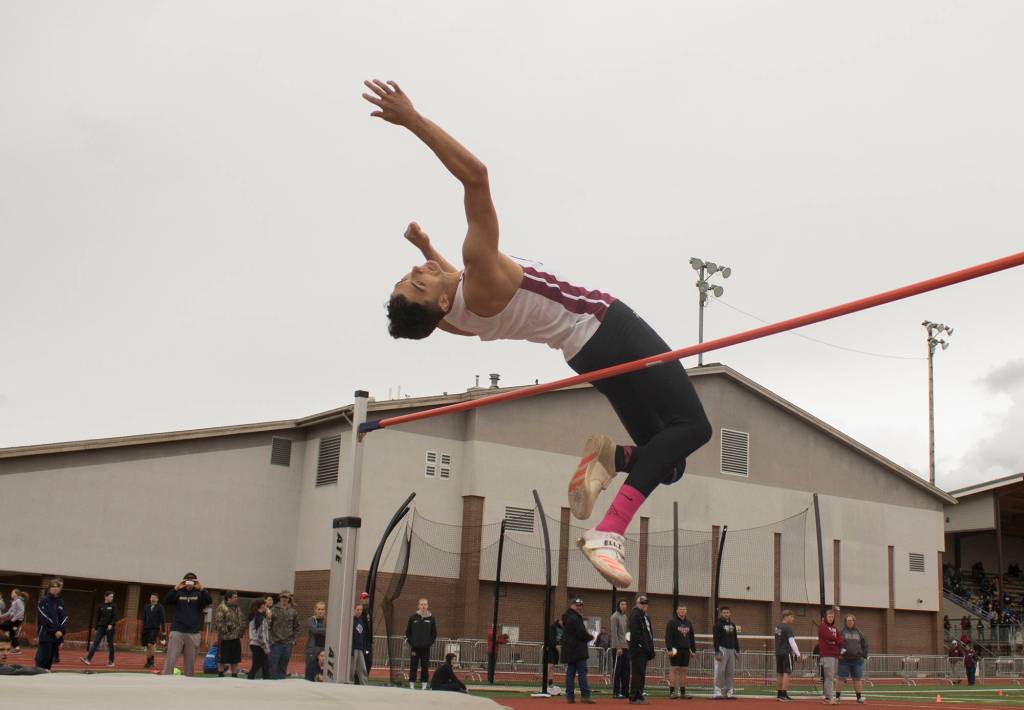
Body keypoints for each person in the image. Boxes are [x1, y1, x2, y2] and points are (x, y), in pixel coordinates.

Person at [363, 78, 712, 589]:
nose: (421, 269)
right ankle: (608, 531)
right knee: (694, 427)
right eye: (419, 278)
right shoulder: (479, 270)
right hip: (608, 325)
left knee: (670, 463)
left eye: (414, 271)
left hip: (584, 354)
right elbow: (477, 177)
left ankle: (613, 459)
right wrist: (411, 118)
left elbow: (446, 289)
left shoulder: (457, 319)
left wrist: (427, 248)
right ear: (436, 301)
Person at [162, 572, 212, 676]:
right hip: (177, 630)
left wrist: (201, 588)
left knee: (190, 661)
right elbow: (166, 600)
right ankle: (166, 676)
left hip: (193, 632)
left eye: (192, 580)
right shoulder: (178, 592)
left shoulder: (199, 594)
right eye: (188, 580)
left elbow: (209, 600)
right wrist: (176, 588)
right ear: (184, 581)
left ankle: (189, 679)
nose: (190, 582)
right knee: (171, 658)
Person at [561, 596, 596, 705]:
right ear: (571, 605)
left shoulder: (568, 616)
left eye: (580, 605)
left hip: (570, 650)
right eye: (577, 605)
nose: (579, 607)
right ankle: (585, 696)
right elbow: (581, 633)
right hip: (578, 650)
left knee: (570, 673)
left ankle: (570, 696)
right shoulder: (574, 618)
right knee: (582, 673)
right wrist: (590, 637)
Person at [35, 578, 68, 670]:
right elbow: (44, 617)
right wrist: (54, 631)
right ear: (49, 588)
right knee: (41, 661)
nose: (55, 588)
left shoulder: (60, 602)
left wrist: (61, 631)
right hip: (45, 635)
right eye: (53, 586)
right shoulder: (43, 601)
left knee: (49, 662)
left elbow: (64, 618)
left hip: (56, 637)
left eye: (57, 587)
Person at [405, 597, 437, 690]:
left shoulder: (431, 619)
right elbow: (408, 632)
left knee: (425, 666)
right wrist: (412, 643)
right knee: (413, 666)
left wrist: (428, 643)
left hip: (425, 648)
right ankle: (412, 684)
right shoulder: (412, 618)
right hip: (414, 648)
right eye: (422, 604)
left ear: (428, 606)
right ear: (418, 605)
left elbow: (434, 634)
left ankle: (424, 685)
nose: (423, 606)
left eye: (425, 604)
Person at [666, 604, 697, 699]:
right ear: (677, 611)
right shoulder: (672, 622)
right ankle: (672, 692)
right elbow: (668, 637)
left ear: (686, 611)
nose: (682, 611)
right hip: (676, 650)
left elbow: (691, 637)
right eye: (681, 609)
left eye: (684, 609)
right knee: (674, 670)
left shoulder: (689, 623)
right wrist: (669, 649)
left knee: (684, 671)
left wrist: (693, 650)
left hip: (686, 650)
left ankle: (683, 693)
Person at [628, 595, 655, 705]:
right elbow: (636, 634)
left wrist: (650, 647)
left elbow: (648, 633)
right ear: (637, 603)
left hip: (644, 649)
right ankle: (634, 697)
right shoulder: (635, 615)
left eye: (646, 603)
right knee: (637, 673)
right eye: (642, 603)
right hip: (638, 649)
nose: (644, 605)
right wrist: (643, 646)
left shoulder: (645, 616)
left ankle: (639, 694)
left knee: (641, 673)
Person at [268, 590, 301, 679]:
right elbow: (268, 626)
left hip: (287, 644)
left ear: (289, 598)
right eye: (283, 597)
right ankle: (272, 686)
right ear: (280, 598)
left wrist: (293, 640)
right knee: (272, 666)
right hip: (275, 643)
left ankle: (281, 686)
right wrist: (271, 640)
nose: (284, 599)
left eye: (286, 597)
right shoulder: (273, 610)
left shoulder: (293, 612)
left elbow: (297, 627)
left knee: (283, 666)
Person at [836, 614, 868, 704]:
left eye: (851, 620)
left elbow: (865, 645)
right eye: (848, 620)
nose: (849, 622)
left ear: (854, 621)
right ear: (845, 622)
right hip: (844, 660)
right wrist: (839, 653)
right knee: (841, 679)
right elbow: (837, 644)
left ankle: (859, 699)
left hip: (857, 661)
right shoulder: (841, 632)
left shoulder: (859, 633)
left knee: (857, 679)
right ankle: (837, 698)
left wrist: (864, 655)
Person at [82, 590, 118, 667]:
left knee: (110, 644)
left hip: (109, 628)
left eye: (112, 597)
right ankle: (88, 659)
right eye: (110, 596)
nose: (112, 598)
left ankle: (111, 661)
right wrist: (96, 628)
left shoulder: (113, 606)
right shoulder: (100, 606)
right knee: (95, 643)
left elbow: (115, 617)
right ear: (106, 597)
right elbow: (98, 618)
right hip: (101, 627)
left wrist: (111, 624)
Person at [214, 591, 244, 677]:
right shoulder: (221, 607)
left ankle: (234, 675)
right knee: (222, 659)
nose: (236, 598)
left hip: (236, 637)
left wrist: (240, 630)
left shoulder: (237, 607)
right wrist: (227, 631)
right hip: (225, 638)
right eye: (235, 597)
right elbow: (219, 623)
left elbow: (242, 619)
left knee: (235, 659)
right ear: (229, 598)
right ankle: (220, 675)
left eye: (236, 597)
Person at [774, 610, 801, 702]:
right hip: (786, 653)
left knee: (780, 673)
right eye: (792, 617)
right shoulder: (788, 627)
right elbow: (791, 641)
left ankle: (779, 694)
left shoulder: (777, 627)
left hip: (778, 652)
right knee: (786, 673)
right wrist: (798, 654)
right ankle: (784, 694)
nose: (793, 619)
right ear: (787, 617)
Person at [713, 606, 740, 700]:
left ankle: (728, 692)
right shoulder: (718, 625)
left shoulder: (733, 625)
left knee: (730, 672)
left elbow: (735, 638)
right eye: (724, 612)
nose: (726, 614)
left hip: (732, 650)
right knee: (720, 671)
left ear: (730, 613)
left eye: (727, 612)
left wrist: (737, 650)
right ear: (721, 613)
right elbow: (715, 639)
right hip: (722, 649)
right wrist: (717, 651)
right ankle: (717, 692)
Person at [818, 608, 841, 704]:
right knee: (829, 677)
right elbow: (829, 636)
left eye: (832, 616)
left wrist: (836, 640)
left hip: (835, 655)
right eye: (829, 616)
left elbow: (840, 639)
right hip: (827, 655)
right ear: (825, 617)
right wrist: (836, 640)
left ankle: (828, 697)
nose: (831, 618)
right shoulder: (822, 626)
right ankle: (830, 697)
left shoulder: (835, 628)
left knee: (833, 676)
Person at [610, 599, 630, 699]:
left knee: (626, 670)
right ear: (618, 605)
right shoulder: (615, 617)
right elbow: (614, 633)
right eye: (622, 604)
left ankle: (625, 691)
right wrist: (618, 647)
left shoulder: (625, 617)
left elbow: (626, 632)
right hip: (618, 648)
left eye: (625, 604)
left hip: (626, 647)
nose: (624, 606)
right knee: (617, 670)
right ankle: (616, 692)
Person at [248, 598, 272, 680]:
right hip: (259, 645)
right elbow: (261, 635)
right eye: (265, 605)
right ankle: (249, 681)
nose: (267, 607)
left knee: (263, 666)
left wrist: (268, 619)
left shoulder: (256, 616)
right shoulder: (260, 617)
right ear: (262, 606)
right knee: (259, 666)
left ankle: (264, 681)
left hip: (255, 644)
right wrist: (265, 647)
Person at [140, 593, 166, 669]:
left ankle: (152, 662)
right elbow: (144, 618)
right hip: (146, 629)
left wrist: (163, 630)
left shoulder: (160, 607)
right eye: (151, 597)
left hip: (154, 628)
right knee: (147, 646)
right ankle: (148, 661)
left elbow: (163, 619)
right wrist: (143, 628)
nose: (153, 599)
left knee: (150, 644)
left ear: (157, 599)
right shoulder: (147, 607)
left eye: (154, 598)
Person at [304, 600, 327, 682]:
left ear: (325, 610)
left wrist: (320, 630)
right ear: (315, 610)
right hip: (313, 649)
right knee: (310, 670)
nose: (320, 611)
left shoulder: (327, 620)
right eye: (319, 609)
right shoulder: (311, 620)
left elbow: (331, 631)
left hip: (323, 649)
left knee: (322, 670)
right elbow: (314, 630)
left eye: (322, 609)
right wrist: (325, 630)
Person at [0, 589, 26, 654]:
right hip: (14, 620)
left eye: (12, 592)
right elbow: (9, 612)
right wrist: (1, 616)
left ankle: (7, 639)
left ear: (16, 594)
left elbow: (22, 611)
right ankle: (17, 649)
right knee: (12, 634)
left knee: (2, 626)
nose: (11, 594)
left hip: (16, 621)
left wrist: (15, 618)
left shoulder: (19, 601)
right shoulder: (14, 601)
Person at [351, 602, 370, 684]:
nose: (359, 611)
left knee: (362, 668)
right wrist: (351, 649)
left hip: (360, 648)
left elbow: (364, 635)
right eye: (357, 609)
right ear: (354, 610)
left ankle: (364, 684)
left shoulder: (362, 621)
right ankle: (349, 683)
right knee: (352, 668)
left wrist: (365, 648)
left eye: (361, 610)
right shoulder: (351, 621)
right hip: (354, 648)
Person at [547, 616, 565, 695]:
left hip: (557, 649)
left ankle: (550, 683)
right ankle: (546, 683)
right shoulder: (553, 627)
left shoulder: (564, 629)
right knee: (550, 665)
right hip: (551, 648)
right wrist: (556, 645)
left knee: (553, 666)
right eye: (563, 622)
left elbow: (562, 639)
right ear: (560, 620)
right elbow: (551, 638)